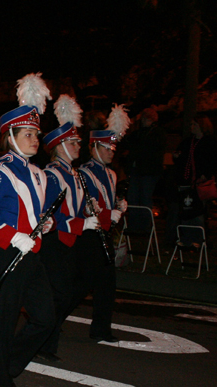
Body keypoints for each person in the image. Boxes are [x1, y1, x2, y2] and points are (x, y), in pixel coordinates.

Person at [0, 73, 56, 387]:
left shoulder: (38, 173)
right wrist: (13, 236)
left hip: (32, 256)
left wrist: (44, 224)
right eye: (28, 134)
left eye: (36, 134)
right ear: (11, 137)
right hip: (7, 254)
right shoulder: (0, 171)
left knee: (45, 317)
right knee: (3, 324)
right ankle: (0, 386)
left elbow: (34, 212)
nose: (35, 139)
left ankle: (7, 365)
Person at [36, 94, 99, 361]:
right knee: (59, 294)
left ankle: (45, 339)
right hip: (54, 241)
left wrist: (89, 209)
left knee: (69, 291)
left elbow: (75, 209)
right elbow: (51, 215)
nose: (78, 146)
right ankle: (40, 341)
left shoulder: (75, 175)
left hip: (72, 240)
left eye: (77, 142)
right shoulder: (52, 174)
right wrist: (83, 221)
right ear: (59, 146)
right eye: (72, 142)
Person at [77, 105, 131, 342]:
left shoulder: (111, 174)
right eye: (107, 148)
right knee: (79, 287)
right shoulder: (83, 172)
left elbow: (106, 200)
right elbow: (87, 206)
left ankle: (101, 329)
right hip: (89, 235)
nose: (111, 152)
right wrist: (109, 214)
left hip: (105, 234)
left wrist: (118, 204)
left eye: (113, 148)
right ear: (94, 147)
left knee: (107, 285)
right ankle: (50, 322)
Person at [167, 116, 217, 247]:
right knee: (186, 211)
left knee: (197, 212)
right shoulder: (187, 142)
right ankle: (186, 239)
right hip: (185, 182)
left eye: (194, 124)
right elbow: (180, 159)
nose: (191, 127)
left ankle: (198, 239)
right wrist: (177, 157)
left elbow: (216, 161)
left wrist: (206, 174)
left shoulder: (210, 142)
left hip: (200, 184)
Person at [124, 107, 166, 233]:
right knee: (134, 197)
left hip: (148, 171)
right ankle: (135, 225)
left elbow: (150, 150)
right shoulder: (140, 133)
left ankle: (144, 226)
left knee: (144, 198)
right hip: (139, 170)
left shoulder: (156, 133)